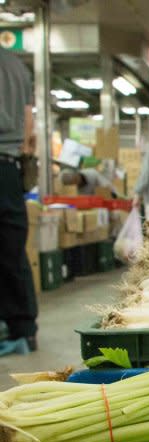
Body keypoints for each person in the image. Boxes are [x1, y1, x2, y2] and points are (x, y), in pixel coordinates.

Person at [0, 47, 37, 350]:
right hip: (10, 167)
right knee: (13, 249)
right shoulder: (16, 65)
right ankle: (23, 330)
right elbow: (28, 121)